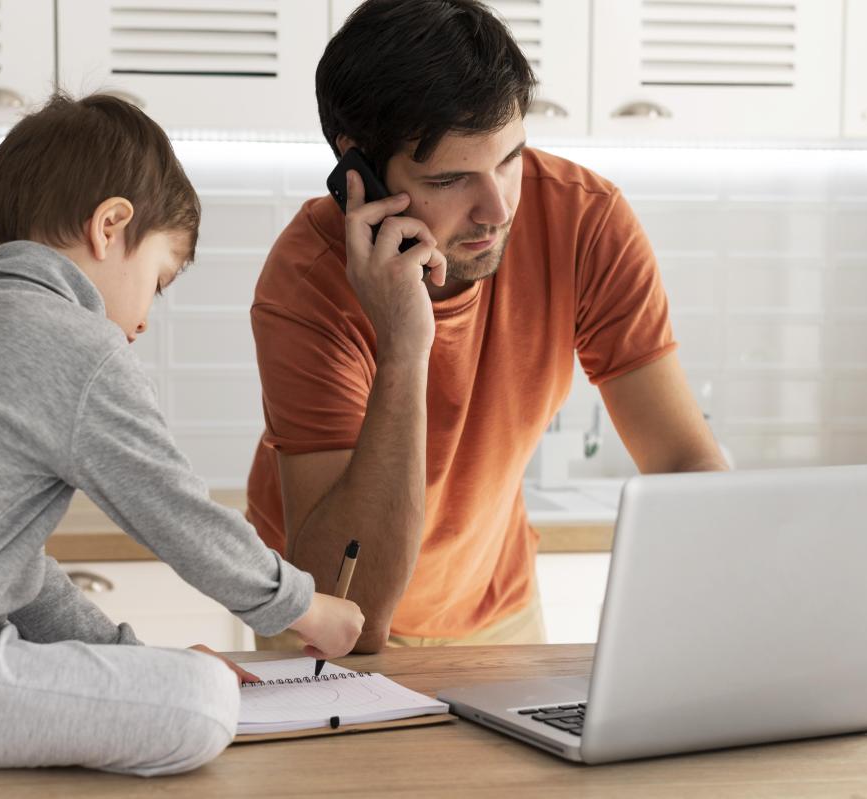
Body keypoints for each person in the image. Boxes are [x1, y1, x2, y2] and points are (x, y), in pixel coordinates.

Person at [0, 93, 363, 776]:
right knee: (204, 699)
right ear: (110, 226)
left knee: (162, 674)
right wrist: (305, 608)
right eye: (158, 280)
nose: (144, 320)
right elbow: (178, 514)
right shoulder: (79, 345)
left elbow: (19, 573)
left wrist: (128, 658)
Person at [246, 0, 727, 653]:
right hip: (322, 617)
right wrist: (406, 345)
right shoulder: (307, 283)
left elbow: (681, 459)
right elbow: (351, 611)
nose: (498, 209)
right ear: (357, 170)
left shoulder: (585, 219)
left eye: (510, 159)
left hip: (498, 610)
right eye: (450, 179)